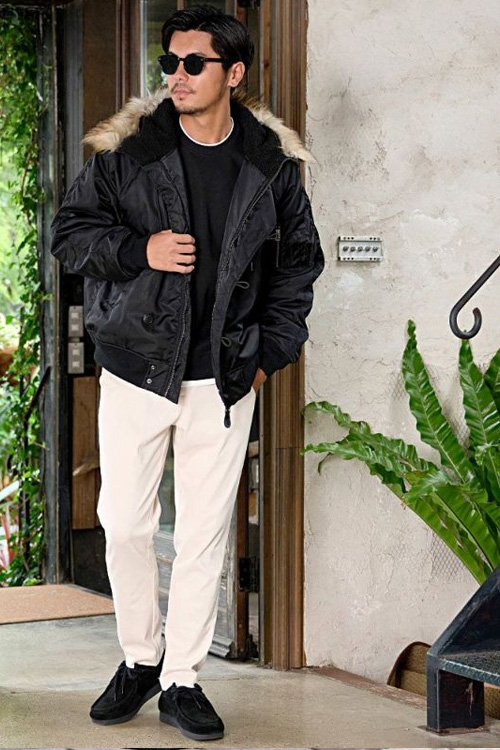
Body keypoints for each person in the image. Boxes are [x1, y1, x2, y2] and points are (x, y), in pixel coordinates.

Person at [50, 3, 324, 742]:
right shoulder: (128, 153)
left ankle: (181, 679)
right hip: (136, 367)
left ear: (232, 74)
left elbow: (299, 265)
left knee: (203, 535)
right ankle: (140, 657)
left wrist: (267, 356)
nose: (176, 75)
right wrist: (139, 251)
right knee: (124, 525)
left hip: (225, 376)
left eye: (193, 63)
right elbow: (70, 235)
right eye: (169, 62)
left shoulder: (269, 164)